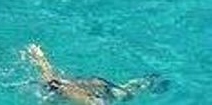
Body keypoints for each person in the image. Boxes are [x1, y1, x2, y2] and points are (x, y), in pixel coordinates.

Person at [23, 43, 165, 103]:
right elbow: (48, 73)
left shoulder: (60, 90)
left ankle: (148, 81)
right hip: (91, 85)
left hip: (101, 87)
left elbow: (48, 74)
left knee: (127, 95)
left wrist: (39, 57)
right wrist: (38, 56)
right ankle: (146, 81)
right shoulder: (54, 89)